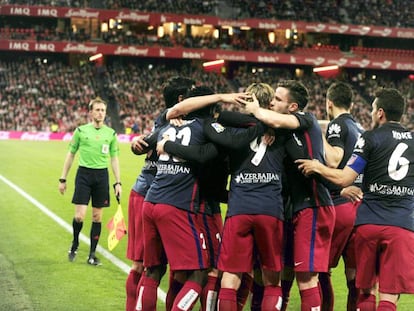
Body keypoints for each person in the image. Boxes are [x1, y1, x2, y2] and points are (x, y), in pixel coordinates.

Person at [296, 88, 414, 311]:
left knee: (366, 289)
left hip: (369, 222)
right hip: (401, 225)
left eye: (371, 110)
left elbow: (344, 178)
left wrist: (318, 167)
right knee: (388, 296)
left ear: (380, 113)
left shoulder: (370, 138)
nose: (370, 114)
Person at [239, 80, 335, 311]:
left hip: (312, 205)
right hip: (291, 210)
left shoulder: (306, 119)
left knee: (306, 278)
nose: (272, 101)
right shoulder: (280, 130)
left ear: (293, 107)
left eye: (278, 99)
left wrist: (257, 111)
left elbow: (275, 119)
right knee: (276, 271)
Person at [125, 76, 195, 311]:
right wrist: (138, 143)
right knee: (144, 265)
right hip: (148, 194)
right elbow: (143, 145)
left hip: (161, 197)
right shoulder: (166, 120)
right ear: (181, 100)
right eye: (193, 94)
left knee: (174, 267)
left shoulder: (182, 123)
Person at [318, 81, 365, 311]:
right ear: (352, 104)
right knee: (354, 276)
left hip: (339, 205)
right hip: (360, 207)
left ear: (329, 103)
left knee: (320, 270)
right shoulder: (361, 129)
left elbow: (334, 159)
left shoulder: (336, 125)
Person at [58, 97, 122, 266]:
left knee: (97, 217)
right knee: (79, 216)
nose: (100, 113)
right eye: (97, 110)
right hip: (84, 175)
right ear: (90, 112)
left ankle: (92, 254)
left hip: (101, 176)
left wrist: (118, 182)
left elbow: (114, 159)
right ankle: (75, 243)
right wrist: (63, 179)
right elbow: (70, 154)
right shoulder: (80, 131)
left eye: (103, 110)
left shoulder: (111, 134)